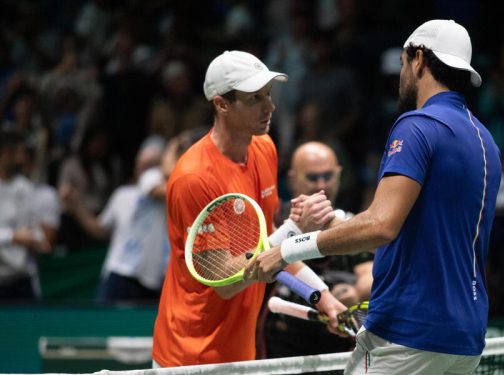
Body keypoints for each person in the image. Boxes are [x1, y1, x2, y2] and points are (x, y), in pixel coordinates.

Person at [252, 20, 502, 375]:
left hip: (407, 335)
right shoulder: (485, 141)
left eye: (402, 63)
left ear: (418, 59)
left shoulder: (416, 126)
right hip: (465, 340)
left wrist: (287, 250)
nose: (400, 75)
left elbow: (381, 225)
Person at [150, 50, 346, 368]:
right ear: (222, 104)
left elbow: (269, 247)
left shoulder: (263, 147)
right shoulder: (194, 178)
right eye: (254, 99)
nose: (270, 107)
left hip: (241, 351)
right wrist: (295, 231)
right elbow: (226, 282)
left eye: (268, 95)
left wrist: (323, 297)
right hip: (189, 357)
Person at [259, 141, 374, 359]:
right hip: (280, 348)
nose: (321, 184)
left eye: (328, 176)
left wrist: (355, 293)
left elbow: (369, 272)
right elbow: (262, 263)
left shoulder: (349, 223)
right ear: (292, 178)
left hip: (335, 346)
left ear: (339, 175)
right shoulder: (273, 221)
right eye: (312, 178)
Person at [60, 136, 170, 303]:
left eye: (153, 165)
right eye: (143, 164)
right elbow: (100, 230)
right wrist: (76, 206)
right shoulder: (122, 194)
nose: (147, 171)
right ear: (136, 166)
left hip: (154, 280)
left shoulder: (168, 196)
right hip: (119, 275)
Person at [0, 130, 52, 300]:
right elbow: (18, 235)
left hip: (22, 280)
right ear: (6, 154)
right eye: (20, 153)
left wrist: (39, 239)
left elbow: (31, 227)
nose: (24, 159)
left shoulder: (25, 187)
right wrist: (13, 237)